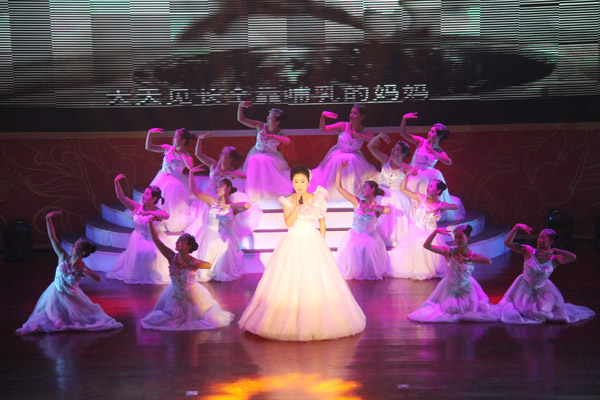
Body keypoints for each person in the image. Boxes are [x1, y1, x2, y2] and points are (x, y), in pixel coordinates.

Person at [238, 165, 366, 341]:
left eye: (302, 181)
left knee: (315, 280)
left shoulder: (316, 198)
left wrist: (321, 242)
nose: (299, 185)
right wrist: (297, 206)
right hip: (293, 240)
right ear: (292, 182)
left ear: (308, 182)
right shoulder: (288, 200)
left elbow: (322, 222)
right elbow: (288, 223)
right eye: (296, 181)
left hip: (312, 240)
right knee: (290, 280)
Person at [17, 211, 122, 334]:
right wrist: (48, 219)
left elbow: (98, 279)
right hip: (54, 293)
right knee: (50, 317)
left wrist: (86, 272)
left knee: (72, 319)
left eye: (76, 246)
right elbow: (53, 238)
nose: (73, 246)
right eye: (74, 244)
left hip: (70, 297)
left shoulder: (82, 267)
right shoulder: (62, 256)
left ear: (82, 253)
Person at [140, 217, 234, 331]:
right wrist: (150, 223)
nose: (177, 242)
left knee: (197, 316)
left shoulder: (193, 261)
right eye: (178, 240)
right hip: (175, 294)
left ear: (188, 246)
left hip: (191, 295)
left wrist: (190, 266)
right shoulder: (171, 256)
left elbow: (208, 265)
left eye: (181, 240)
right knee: (170, 317)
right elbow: (157, 240)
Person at [493, 224, 595, 324]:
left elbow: (573, 257)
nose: (539, 240)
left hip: (543, 290)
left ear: (551, 242)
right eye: (539, 237)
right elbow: (508, 243)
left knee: (543, 312)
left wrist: (555, 251)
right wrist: (517, 227)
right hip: (524, 289)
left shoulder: (554, 259)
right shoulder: (529, 251)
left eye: (542, 238)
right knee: (526, 311)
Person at [407, 225, 497, 322]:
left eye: (460, 237)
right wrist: (435, 232)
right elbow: (427, 246)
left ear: (468, 237)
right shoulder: (448, 252)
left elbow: (488, 261)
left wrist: (468, 260)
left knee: (471, 309)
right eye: (456, 237)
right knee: (450, 309)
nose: (458, 240)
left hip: (466, 286)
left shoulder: (472, 255)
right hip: (450, 285)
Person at [388, 169, 458, 280]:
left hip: (431, 233)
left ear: (438, 191)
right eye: (428, 186)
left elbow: (455, 206)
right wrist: (407, 175)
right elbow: (403, 190)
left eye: (431, 186)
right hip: (417, 231)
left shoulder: (440, 204)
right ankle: (419, 269)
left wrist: (440, 206)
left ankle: (431, 270)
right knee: (418, 243)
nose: (428, 188)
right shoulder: (421, 198)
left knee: (430, 248)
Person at [191, 133, 261, 239]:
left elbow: (243, 176)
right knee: (208, 208)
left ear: (230, 159)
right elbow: (198, 154)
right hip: (211, 194)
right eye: (221, 153)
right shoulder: (214, 165)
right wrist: (200, 139)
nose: (220, 155)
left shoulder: (232, 171)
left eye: (224, 154)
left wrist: (228, 173)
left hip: (224, 197)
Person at [188, 166, 250, 282]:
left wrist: (228, 206)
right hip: (211, 232)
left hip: (226, 234)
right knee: (213, 243)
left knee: (223, 244)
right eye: (217, 186)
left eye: (221, 186)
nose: (218, 188)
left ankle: (220, 271)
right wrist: (191, 173)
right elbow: (194, 190)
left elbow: (247, 205)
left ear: (228, 188)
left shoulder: (233, 207)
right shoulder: (213, 201)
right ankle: (208, 271)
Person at [398, 112, 465, 221]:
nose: (429, 133)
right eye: (430, 130)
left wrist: (433, 151)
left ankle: (427, 215)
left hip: (428, 174)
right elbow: (403, 134)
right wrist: (404, 118)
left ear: (439, 136)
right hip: (414, 171)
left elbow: (448, 161)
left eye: (433, 132)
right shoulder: (421, 141)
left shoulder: (439, 150)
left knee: (427, 183)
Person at [106, 174, 171, 284]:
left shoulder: (157, 211)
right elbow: (121, 197)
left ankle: (152, 274)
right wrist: (116, 182)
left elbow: (166, 215)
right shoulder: (137, 207)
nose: (143, 196)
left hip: (153, 239)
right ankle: (137, 274)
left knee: (154, 253)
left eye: (147, 194)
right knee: (138, 253)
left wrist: (150, 212)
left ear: (154, 198)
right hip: (138, 237)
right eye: (144, 193)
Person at [309, 104, 378, 202]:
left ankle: (352, 194)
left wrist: (359, 135)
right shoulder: (343, 125)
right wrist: (323, 116)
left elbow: (376, 142)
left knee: (352, 160)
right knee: (337, 161)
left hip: (354, 157)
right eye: (351, 113)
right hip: (339, 154)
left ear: (361, 117)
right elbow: (323, 129)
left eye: (355, 113)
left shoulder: (364, 131)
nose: (351, 115)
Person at [335, 161, 391, 280]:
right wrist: (339, 171)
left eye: (365, 187)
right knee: (353, 247)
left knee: (367, 247)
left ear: (372, 189)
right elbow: (339, 188)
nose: (362, 189)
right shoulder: (357, 202)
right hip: (354, 234)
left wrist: (375, 208)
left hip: (369, 236)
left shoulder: (377, 208)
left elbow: (387, 210)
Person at [237, 101, 293, 201]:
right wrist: (240, 106)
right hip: (257, 152)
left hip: (271, 157)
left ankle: (268, 192)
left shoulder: (279, 133)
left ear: (277, 122)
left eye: (271, 118)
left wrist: (272, 136)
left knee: (265, 162)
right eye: (268, 117)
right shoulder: (260, 125)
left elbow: (288, 141)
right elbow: (241, 119)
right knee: (255, 160)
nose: (268, 119)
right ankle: (254, 192)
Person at [367, 133, 413, 246]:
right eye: (393, 148)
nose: (393, 151)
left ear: (403, 154)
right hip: (381, 193)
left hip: (397, 196)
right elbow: (370, 146)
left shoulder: (405, 167)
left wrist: (400, 163)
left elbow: (415, 171)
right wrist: (379, 136)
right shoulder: (385, 160)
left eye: (397, 150)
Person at [146, 127, 195, 232]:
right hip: (162, 178)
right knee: (157, 200)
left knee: (170, 202)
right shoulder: (168, 148)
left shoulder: (187, 156)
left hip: (175, 183)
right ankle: (155, 221)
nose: (173, 138)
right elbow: (149, 147)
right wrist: (150, 133)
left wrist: (181, 155)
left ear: (183, 141)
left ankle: (167, 222)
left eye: (175, 136)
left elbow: (190, 166)